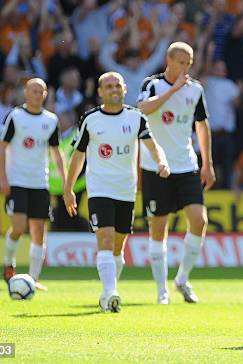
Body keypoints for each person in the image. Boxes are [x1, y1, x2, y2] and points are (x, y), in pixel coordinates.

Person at [63, 72, 170, 313]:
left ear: (124, 89)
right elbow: (78, 156)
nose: (113, 90)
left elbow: (153, 146)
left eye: (117, 86)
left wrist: (162, 162)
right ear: (100, 92)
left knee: (118, 247)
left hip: (126, 190)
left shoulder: (136, 118)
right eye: (108, 86)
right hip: (99, 188)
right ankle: (110, 293)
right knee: (106, 239)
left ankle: (108, 291)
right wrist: (68, 188)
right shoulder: (90, 119)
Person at [137, 41, 215, 305]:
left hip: (186, 164)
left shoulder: (195, 90)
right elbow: (143, 110)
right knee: (159, 226)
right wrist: (173, 90)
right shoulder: (153, 84)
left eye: (188, 63)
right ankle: (162, 289)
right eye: (180, 62)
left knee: (199, 220)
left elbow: (202, 126)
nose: (184, 67)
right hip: (155, 166)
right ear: (168, 62)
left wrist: (207, 163)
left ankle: (182, 278)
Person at [0, 78, 66, 291]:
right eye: (34, 90)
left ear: (45, 94)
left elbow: (56, 152)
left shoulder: (51, 120)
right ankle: (9, 265)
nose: (38, 94)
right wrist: (3, 177)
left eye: (41, 91)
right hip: (17, 180)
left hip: (40, 182)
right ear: (25, 92)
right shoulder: (15, 116)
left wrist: (65, 181)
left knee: (38, 231)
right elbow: (1, 148)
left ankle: (33, 279)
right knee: (18, 227)